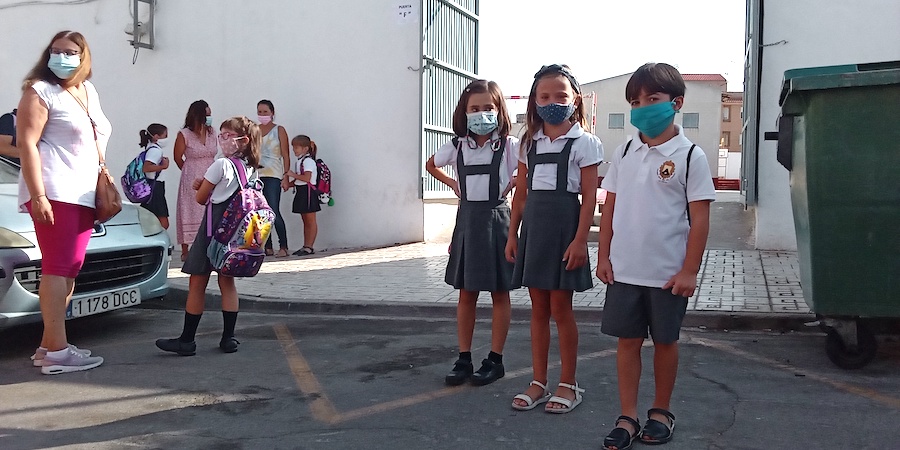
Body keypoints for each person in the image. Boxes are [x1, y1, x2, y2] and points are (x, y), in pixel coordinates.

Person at [596, 63, 715, 449]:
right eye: (635, 101)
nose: (642, 107)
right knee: (627, 343)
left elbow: (700, 219)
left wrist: (689, 271)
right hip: (625, 271)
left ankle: (661, 412)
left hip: (667, 275)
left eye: (652, 99)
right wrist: (604, 257)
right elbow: (609, 209)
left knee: (665, 343)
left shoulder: (690, 155)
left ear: (676, 103)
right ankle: (627, 416)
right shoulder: (624, 151)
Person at [505, 64, 602, 413]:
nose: (552, 102)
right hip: (535, 229)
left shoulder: (585, 142)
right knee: (538, 309)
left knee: (561, 308)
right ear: (534, 100)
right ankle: (539, 381)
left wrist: (580, 240)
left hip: (565, 228)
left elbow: (589, 198)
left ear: (575, 99)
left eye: (561, 96)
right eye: (544, 96)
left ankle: (569, 383)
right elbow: (520, 194)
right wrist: (513, 234)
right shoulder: (528, 142)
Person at [17, 30, 107, 374]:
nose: (62, 57)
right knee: (57, 268)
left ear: (83, 57)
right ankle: (57, 352)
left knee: (69, 269)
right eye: (56, 51)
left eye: (70, 52)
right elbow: (27, 144)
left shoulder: (87, 91)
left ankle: (48, 345)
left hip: (82, 192)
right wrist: (38, 195)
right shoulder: (40, 91)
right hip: (55, 190)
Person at [425, 79, 518, 387]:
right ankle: (464, 358)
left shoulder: (509, 145)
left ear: (499, 110)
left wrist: (515, 182)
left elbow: (527, 171)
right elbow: (430, 165)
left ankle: (495, 359)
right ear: (464, 112)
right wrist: (453, 184)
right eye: (474, 108)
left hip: (498, 219)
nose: (481, 114)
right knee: (466, 293)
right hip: (467, 220)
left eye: (488, 107)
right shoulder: (457, 145)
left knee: (500, 292)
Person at [155, 116, 262, 356]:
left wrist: (202, 186)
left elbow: (201, 198)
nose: (221, 139)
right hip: (234, 236)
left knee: (197, 283)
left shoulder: (221, 165)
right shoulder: (251, 169)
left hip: (211, 233)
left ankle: (187, 340)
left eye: (226, 135)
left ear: (243, 140)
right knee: (227, 283)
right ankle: (228, 338)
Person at [174, 100, 217, 261]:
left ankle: (208, 244)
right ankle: (185, 249)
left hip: (211, 174)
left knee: (209, 208)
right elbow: (177, 157)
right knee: (189, 209)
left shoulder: (212, 133)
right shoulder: (184, 134)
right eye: (207, 114)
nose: (210, 117)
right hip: (191, 176)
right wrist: (189, 172)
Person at [255, 100, 291, 257]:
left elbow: (285, 155)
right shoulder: (255, 130)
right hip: (258, 175)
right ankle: (267, 246)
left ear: (272, 112)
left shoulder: (279, 130)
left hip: (273, 175)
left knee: (273, 210)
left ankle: (283, 246)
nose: (262, 115)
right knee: (260, 213)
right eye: (260, 112)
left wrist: (286, 176)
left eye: (265, 112)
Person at [286, 135, 319, 256]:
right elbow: (299, 180)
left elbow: (306, 178)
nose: (294, 150)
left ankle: (309, 247)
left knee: (310, 221)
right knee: (305, 221)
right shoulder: (300, 161)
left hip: (308, 192)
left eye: (296, 147)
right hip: (301, 191)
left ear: (305, 149)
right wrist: (288, 185)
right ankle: (305, 245)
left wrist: (292, 174)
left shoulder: (308, 161)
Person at [138, 123, 170, 229]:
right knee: (163, 223)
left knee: (149, 220)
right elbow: (146, 167)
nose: (167, 139)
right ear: (156, 136)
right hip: (155, 188)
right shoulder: (155, 150)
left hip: (153, 186)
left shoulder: (151, 149)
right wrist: (163, 166)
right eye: (165, 136)